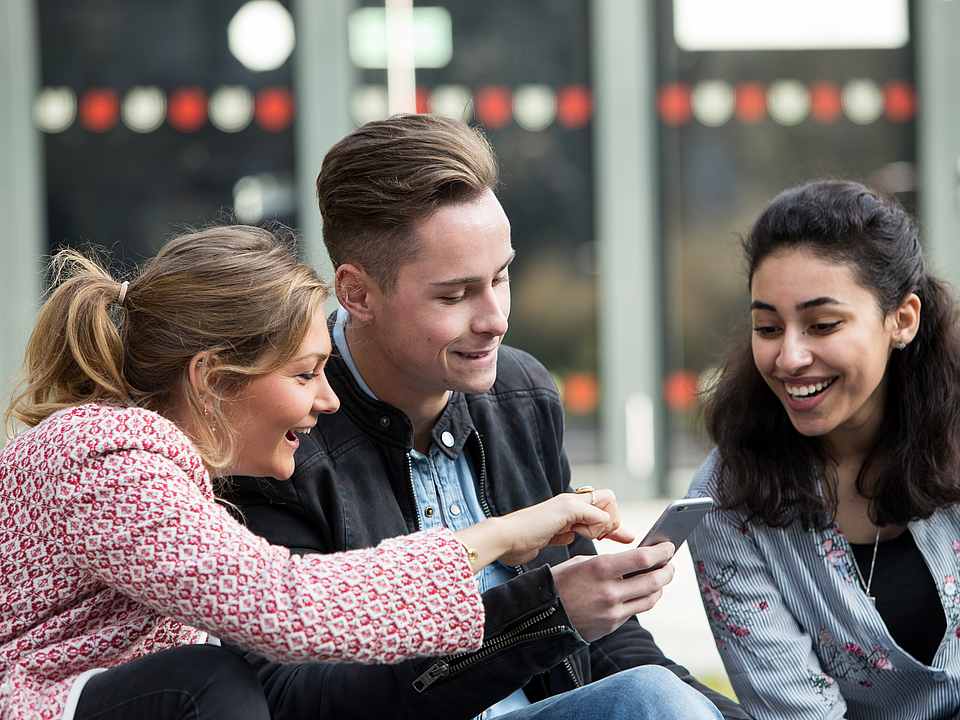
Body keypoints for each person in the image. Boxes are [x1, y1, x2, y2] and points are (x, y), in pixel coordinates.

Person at [227, 113, 746, 720]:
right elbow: (297, 704)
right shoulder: (278, 431)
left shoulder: (522, 392)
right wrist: (544, 616)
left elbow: (605, 647)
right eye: (454, 295)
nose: (495, 318)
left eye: (501, 277)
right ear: (357, 294)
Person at [0, 224, 630, 720]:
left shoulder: (144, 460)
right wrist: (500, 537)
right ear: (212, 380)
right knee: (210, 684)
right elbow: (291, 606)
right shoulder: (109, 456)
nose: (328, 400)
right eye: (305, 374)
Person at [687, 178, 960, 719]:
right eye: (768, 327)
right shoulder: (727, 503)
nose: (789, 357)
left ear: (901, 319)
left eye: (823, 324)